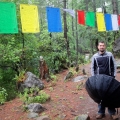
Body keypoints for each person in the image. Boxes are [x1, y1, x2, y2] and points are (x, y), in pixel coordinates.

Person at [91, 41, 118, 119]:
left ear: (105, 46)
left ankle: (112, 113)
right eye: (100, 45)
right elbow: (93, 68)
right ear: (98, 47)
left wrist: (114, 75)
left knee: (110, 95)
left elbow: (114, 65)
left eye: (103, 45)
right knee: (100, 96)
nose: (102, 47)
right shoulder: (95, 56)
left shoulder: (110, 55)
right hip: (99, 80)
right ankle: (101, 112)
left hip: (109, 78)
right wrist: (94, 78)